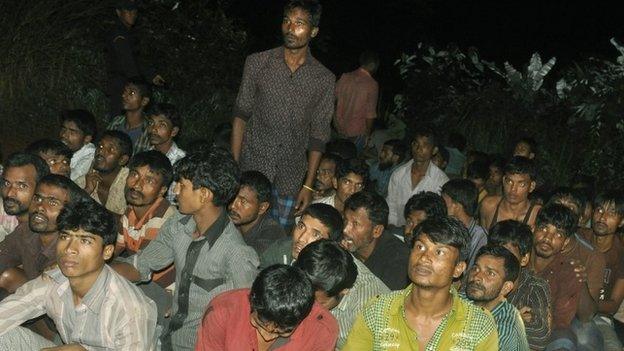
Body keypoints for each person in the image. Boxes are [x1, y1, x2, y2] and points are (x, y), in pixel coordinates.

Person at [112, 149, 259, 350]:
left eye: (182, 186)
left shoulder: (237, 253)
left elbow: (247, 317)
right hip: (168, 335)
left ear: (204, 195)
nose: (176, 192)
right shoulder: (178, 225)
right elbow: (142, 265)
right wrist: (97, 272)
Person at [0, 199, 157, 349]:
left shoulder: (130, 309)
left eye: (85, 241)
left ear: (107, 251)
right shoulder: (54, 281)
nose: (70, 249)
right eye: (65, 236)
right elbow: (5, 314)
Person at [231, 0, 335, 228]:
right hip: (252, 166)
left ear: (314, 31)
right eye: (287, 21)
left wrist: (308, 186)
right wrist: (234, 163)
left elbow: (318, 136)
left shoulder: (324, 79)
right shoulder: (258, 63)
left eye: (299, 23)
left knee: (278, 239)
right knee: (239, 228)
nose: (290, 28)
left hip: (290, 175)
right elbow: (241, 115)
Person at [343, 216, 498, 350]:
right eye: (420, 246)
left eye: (439, 252)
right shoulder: (377, 311)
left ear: (458, 268)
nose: (423, 258)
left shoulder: (478, 325)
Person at [195, 264, 338, 350]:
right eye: (259, 323)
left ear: (302, 317)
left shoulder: (322, 330)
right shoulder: (222, 313)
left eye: (281, 331)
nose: (267, 335)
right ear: (252, 301)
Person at [0, 174, 87, 300]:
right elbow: (3, 255)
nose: (40, 207)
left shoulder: (72, 249)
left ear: (70, 212)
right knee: (10, 276)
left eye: (53, 202)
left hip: (60, 309)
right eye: (37, 199)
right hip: (34, 295)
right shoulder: (26, 231)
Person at [529, 204, 601, 350]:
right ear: (533, 228)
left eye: (558, 234)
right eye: (543, 228)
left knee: (564, 341)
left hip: (545, 332)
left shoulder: (568, 270)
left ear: (565, 243)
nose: (548, 238)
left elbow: (560, 322)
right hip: (509, 324)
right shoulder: (517, 257)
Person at [295, 239, 389, 349]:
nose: (309, 308)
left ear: (344, 290)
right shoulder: (317, 263)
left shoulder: (368, 308)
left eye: (318, 304)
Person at [489, 220, 552, 350]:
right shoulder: (479, 277)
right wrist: (514, 319)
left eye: (507, 255)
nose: (498, 260)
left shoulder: (535, 287)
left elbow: (540, 337)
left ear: (524, 259)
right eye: (494, 252)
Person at [578, 190, 624, 349]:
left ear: (621, 221)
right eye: (599, 210)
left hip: (599, 316)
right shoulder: (577, 237)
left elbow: (613, 305)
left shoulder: (621, 254)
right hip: (563, 308)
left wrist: (587, 305)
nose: (602, 217)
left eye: (612, 213)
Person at [105, 0, 164, 116]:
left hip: (128, 84)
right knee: (119, 121)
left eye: (134, 11)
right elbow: (127, 62)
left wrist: (151, 76)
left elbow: (136, 60)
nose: (132, 14)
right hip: (122, 85)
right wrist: (140, 84)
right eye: (128, 11)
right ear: (118, 12)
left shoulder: (128, 33)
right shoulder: (119, 34)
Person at [341, 191, 410, 290]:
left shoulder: (398, 262)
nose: (345, 230)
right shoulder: (342, 242)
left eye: (355, 224)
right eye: (345, 220)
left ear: (377, 231)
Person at [465, 245, 529, 351]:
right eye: (476, 268)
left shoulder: (505, 325)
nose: (477, 277)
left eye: (490, 273)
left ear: (506, 287)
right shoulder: (462, 299)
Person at [386, 125, 449, 226]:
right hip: (397, 230)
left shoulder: (441, 181)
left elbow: (440, 217)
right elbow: (391, 205)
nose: (419, 149)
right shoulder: (398, 174)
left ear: (434, 150)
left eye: (425, 145)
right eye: (416, 144)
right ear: (412, 145)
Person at [261, 203, 343, 267]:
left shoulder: (326, 274)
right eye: (301, 226)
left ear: (330, 244)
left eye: (315, 235)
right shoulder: (282, 248)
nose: (301, 238)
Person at [229, 171, 285, 255]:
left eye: (243, 201)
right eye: (233, 197)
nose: (233, 206)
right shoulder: (230, 219)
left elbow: (244, 260)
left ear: (262, 208)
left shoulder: (272, 234)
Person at [76, 130, 132, 215]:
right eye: (100, 146)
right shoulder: (85, 181)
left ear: (122, 160)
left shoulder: (131, 183)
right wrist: (87, 191)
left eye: (110, 149)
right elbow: (67, 210)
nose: (100, 151)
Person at [334, 51, 379, 151]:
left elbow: (333, 100)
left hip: (339, 127)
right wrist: (368, 133)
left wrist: (335, 121)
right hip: (357, 130)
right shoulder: (371, 84)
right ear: (373, 65)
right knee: (352, 157)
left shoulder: (345, 77)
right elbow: (370, 113)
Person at [480, 156, 541, 230]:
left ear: (531, 186)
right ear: (503, 180)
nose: (513, 189)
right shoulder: (488, 206)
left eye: (521, 184)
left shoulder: (537, 215)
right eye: (509, 182)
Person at [0, 152, 50, 242]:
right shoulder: (3, 210)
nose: (9, 193)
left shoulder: (48, 232)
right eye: (7, 183)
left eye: (22, 186)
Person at [442, 179, 487, 268]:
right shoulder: (447, 229)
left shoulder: (481, 238)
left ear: (456, 205)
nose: (441, 204)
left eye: (444, 201)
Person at [147, 103, 187, 202]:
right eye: (151, 123)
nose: (153, 129)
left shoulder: (182, 162)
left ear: (173, 131)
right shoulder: (146, 153)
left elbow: (175, 202)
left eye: (162, 125)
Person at [107, 78, 152, 155]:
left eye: (131, 93)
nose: (124, 95)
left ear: (144, 101)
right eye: (125, 91)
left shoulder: (150, 130)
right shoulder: (116, 122)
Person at [59, 109, 97, 181]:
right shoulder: (60, 149)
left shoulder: (90, 157)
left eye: (72, 132)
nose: (64, 135)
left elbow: (68, 180)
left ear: (87, 139)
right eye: (63, 129)